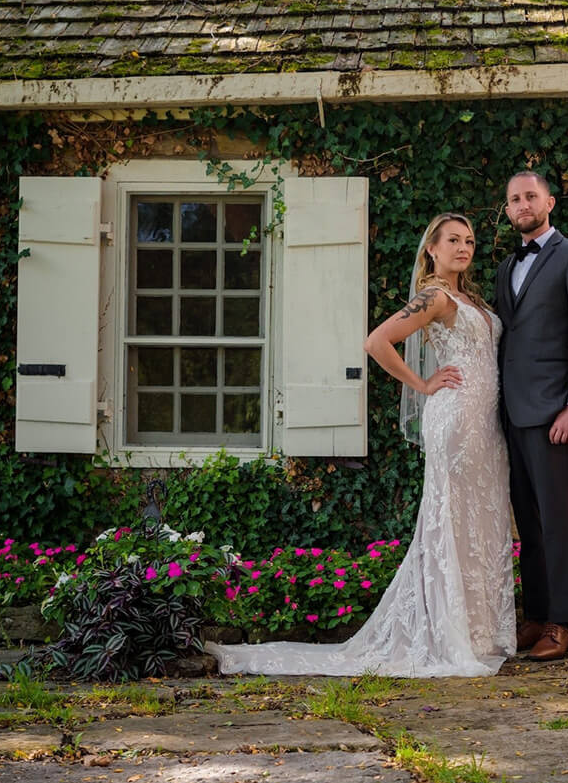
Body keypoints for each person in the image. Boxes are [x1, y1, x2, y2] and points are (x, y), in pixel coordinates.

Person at [205, 212, 516, 678]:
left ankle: (479, 631)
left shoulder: (467, 296)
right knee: (452, 519)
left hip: (485, 424)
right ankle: (451, 635)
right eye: (453, 240)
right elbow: (377, 342)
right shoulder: (434, 295)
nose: (463, 247)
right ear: (432, 248)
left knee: (481, 517)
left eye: (469, 241)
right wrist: (423, 383)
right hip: (455, 421)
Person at [494, 171, 568, 662]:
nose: (522, 204)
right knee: (529, 523)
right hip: (511, 412)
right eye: (514, 198)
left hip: (554, 411)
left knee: (558, 520)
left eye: (530, 196)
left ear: (549, 202)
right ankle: (536, 615)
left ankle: (561, 623)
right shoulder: (504, 267)